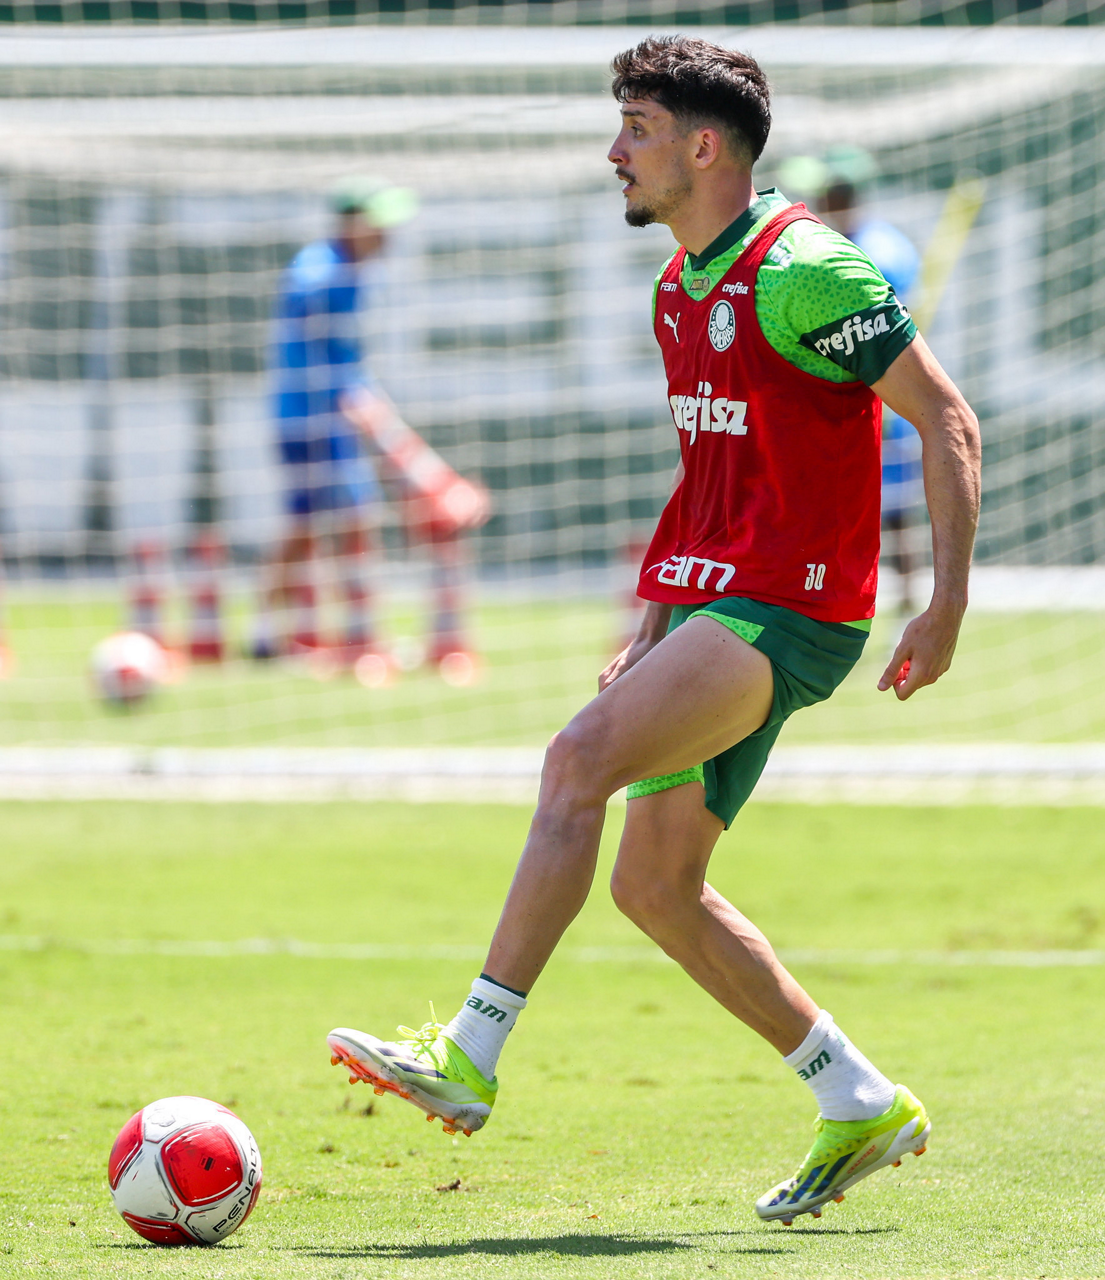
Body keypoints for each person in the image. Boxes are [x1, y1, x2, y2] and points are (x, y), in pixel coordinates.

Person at [327, 36, 980, 1227]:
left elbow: (945, 420)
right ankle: (858, 1097)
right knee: (656, 885)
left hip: (791, 605)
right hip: (717, 598)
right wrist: (653, 623)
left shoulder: (807, 271)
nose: (613, 151)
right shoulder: (679, 284)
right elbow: (710, 480)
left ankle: (469, 1051)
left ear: (704, 146)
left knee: (575, 759)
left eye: (635, 128)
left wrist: (942, 603)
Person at [251, 181, 417, 662]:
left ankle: (274, 632)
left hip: (321, 417)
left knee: (317, 523)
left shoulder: (352, 272)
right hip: (309, 418)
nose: (387, 235)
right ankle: (356, 636)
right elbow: (307, 310)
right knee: (345, 520)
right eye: (379, 224)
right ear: (353, 224)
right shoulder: (325, 269)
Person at [820, 175, 923, 615]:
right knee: (839, 510)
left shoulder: (879, 250)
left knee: (893, 511)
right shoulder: (827, 246)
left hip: (882, 399)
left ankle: (905, 604)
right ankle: (836, 600)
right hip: (836, 400)